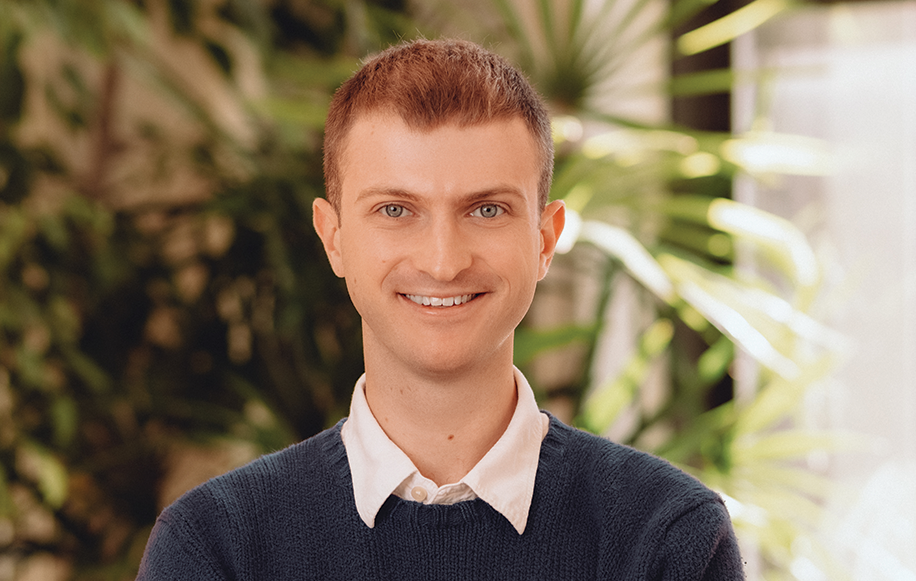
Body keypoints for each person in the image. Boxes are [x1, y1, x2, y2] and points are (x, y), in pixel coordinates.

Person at [136, 38, 744, 580]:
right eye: (396, 210)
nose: (444, 262)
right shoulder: (216, 548)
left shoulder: (667, 538)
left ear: (544, 239)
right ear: (333, 237)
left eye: (487, 210)